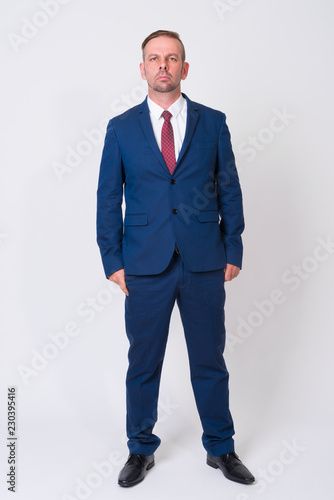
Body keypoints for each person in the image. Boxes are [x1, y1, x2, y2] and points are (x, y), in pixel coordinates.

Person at [96, 29, 255, 488]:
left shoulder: (213, 122)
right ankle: (140, 449)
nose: (162, 65)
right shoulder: (121, 128)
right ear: (142, 68)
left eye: (171, 58)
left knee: (210, 360)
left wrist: (234, 247)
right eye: (154, 58)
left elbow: (230, 188)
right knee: (143, 363)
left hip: (205, 260)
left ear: (184, 69)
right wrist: (113, 259)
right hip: (143, 264)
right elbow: (109, 198)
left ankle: (220, 448)